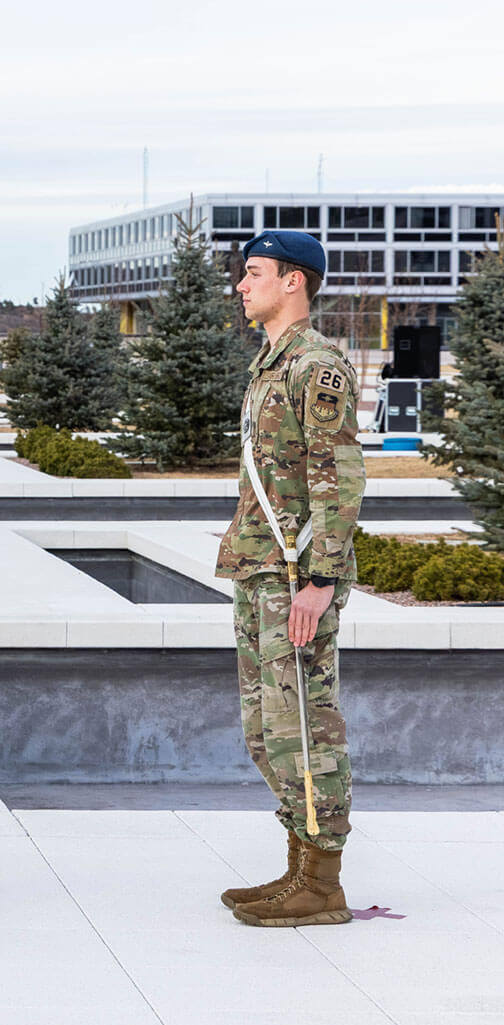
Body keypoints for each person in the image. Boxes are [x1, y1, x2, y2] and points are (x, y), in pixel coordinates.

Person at [217, 231, 365, 927]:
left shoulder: (317, 365)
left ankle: (323, 882)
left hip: (295, 576)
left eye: (254, 273)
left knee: (305, 724)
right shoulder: (272, 363)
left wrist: (322, 578)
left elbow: (338, 478)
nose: (242, 286)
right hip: (259, 570)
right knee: (267, 730)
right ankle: (298, 867)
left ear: (293, 282)